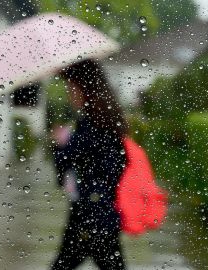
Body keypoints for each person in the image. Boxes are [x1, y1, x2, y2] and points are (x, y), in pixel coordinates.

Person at [50, 60, 127, 270]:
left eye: (72, 87)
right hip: (100, 210)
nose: (69, 93)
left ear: (85, 88)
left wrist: (59, 144)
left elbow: (64, 162)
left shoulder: (92, 125)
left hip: (90, 214)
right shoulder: (105, 120)